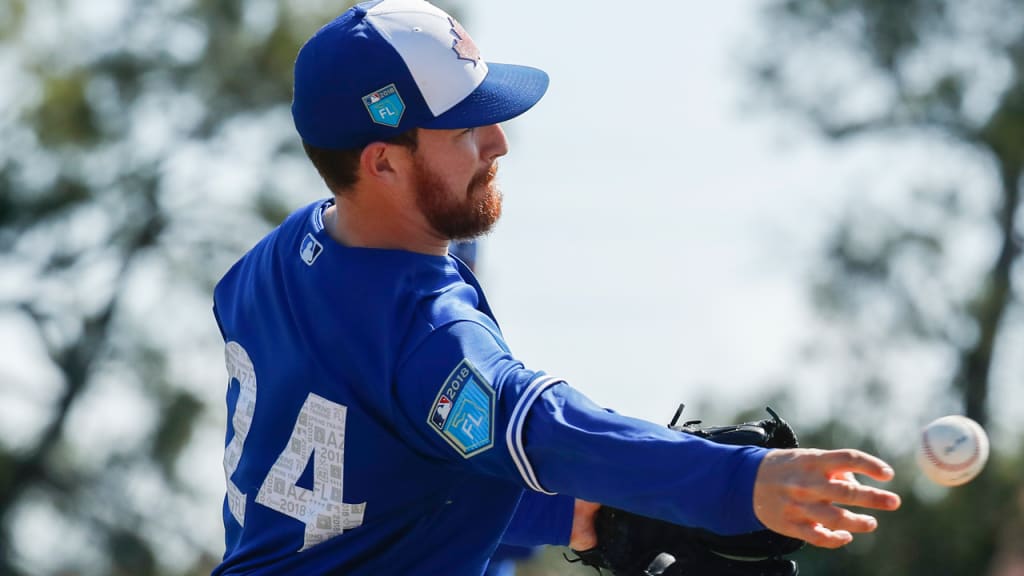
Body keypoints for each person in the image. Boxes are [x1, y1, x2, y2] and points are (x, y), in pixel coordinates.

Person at [210, 1, 902, 575]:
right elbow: (533, 424)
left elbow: (377, 462)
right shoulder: (423, 329)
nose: (499, 141)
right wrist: (735, 483)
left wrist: (585, 515)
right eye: (464, 127)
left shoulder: (272, 266)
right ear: (384, 163)